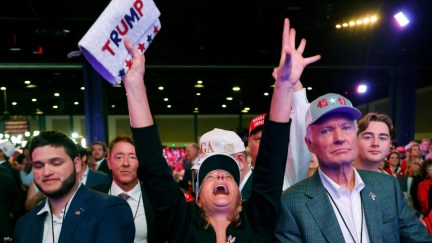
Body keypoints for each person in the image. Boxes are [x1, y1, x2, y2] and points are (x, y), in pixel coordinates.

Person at [122, 17, 320, 242]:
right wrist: (135, 84)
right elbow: (152, 165)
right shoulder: (182, 222)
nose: (220, 176)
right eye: (209, 176)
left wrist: (284, 86)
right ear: (197, 199)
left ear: (240, 198)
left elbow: (271, 161)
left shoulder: (256, 221)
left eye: (228, 176)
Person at [274, 93, 432, 242]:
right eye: (327, 130)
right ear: (310, 143)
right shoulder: (291, 204)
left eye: (346, 128)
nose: (340, 138)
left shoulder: (387, 186)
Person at [13, 130, 135, 242]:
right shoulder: (25, 224)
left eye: (56, 163)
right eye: (38, 165)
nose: (46, 172)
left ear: (77, 164)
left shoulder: (109, 209)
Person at [91, 134, 156, 243]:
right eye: (119, 157)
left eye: (132, 157)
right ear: (109, 162)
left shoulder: (154, 198)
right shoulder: (91, 196)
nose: (126, 163)